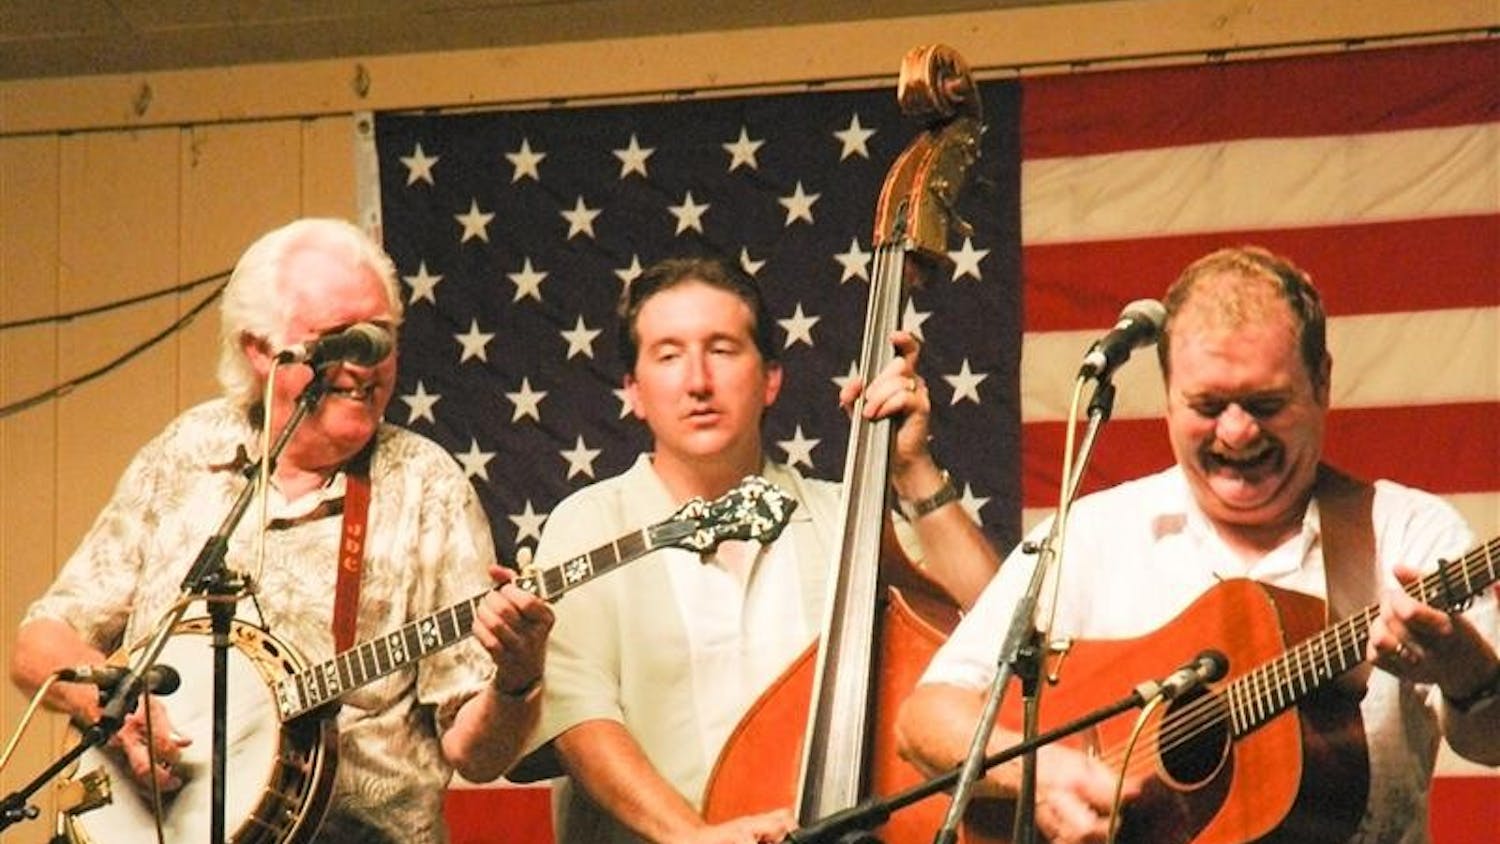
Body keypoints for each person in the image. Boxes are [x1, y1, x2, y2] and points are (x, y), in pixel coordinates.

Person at [896, 245, 1500, 843]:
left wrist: (1469, 676)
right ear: (1167, 395)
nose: (1237, 432)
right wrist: (1047, 776)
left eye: (1266, 404)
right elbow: (925, 720)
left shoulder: (1409, 535)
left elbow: (1491, 744)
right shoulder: (1092, 534)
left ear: (1322, 383)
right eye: (1208, 406)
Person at [9, 218, 554, 843]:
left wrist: (517, 679)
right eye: (336, 339)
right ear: (259, 349)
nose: (364, 363)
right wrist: (113, 704)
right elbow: (40, 646)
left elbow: (478, 756)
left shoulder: (426, 486)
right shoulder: (187, 452)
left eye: (379, 336)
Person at [513, 256, 1000, 843]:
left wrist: (912, 469)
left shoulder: (844, 517)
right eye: (668, 356)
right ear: (634, 392)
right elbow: (579, 715)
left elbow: (993, 630)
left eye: (722, 349)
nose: (698, 380)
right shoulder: (591, 525)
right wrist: (692, 837)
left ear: (770, 379)